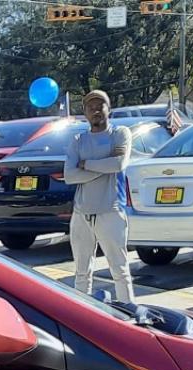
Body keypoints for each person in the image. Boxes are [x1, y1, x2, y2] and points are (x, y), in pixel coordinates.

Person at [61, 90, 136, 306]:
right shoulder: (78, 140)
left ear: (109, 109)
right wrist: (103, 166)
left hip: (111, 211)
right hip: (81, 213)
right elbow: (69, 175)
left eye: (100, 105)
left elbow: (119, 164)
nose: (95, 110)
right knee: (82, 273)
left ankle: (130, 315)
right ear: (84, 112)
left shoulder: (120, 134)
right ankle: (82, 315)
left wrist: (87, 164)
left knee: (120, 270)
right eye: (90, 106)